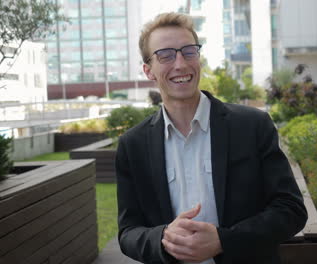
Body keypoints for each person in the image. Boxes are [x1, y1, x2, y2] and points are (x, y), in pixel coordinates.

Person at [115, 12, 307, 264]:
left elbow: (290, 209)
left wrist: (223, 241)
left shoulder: (253, 126)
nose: (181, 64)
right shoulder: (133, 145)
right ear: (148, 70)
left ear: (199, 58)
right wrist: (162, 238)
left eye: (189, 51)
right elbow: (128, 232)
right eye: (166, 55)